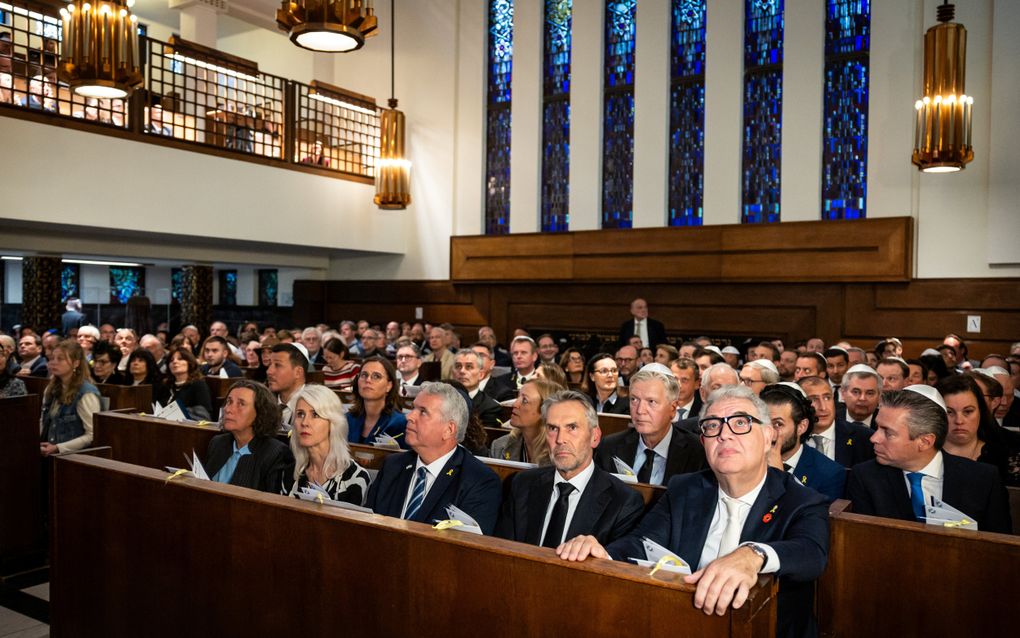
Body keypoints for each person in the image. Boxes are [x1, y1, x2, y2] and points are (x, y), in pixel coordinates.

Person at [558, 385, 830, 638]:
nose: (724, 434)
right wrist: (603, 553)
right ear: (704, 442)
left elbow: (811, 553)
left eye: (740, 423)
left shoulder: (802, 501)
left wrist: (753, 554)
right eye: (712, 426)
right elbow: (642, 542)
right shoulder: (685, 488)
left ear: (769, 435)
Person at [848, 385, 1012, 534]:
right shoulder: (865, 478)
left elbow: (1001, 548)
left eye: (888, 432)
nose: (874, 438)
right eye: (877, 427)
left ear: (925, 442)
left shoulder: (983, 480)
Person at [496, 390, 643, 547]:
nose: (560, 439)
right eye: (553, 428)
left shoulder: (623, 501)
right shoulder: (522, 484)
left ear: (595, 437)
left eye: (572, 427)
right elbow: (502, 552)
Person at [366, 382, 502, 534]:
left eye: (423, 412)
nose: (409, 416)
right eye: (413, 408)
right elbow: (369, 526)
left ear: (448, 430)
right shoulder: (392, 466)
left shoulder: (479, 481)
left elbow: (467, 550)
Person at [595, 364, 707, 485]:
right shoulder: (609, 447)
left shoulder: (697, 452)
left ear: (673, 408)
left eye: (651, 402)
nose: (640, 410)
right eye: (634, 399)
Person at [204, 379, 295, 494]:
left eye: (241, 404)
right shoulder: (217, 443)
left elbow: (272, 506)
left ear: (261, 412)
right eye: (229, 402)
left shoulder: (275, 453)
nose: (228, 409)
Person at [287, 384, 371, 505]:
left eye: (315, 415)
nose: (304, 422)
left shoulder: (355, 478)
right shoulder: (291, 471)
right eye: (300, 414)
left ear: (332, 423)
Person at [762, 383, 846, 502]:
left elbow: (814, 517)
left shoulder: (829, 473)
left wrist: (780, 477)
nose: (769, 431)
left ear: (802, 426)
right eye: (764, 423)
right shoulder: (746, 459)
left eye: (778, 424)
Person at [937, 374, 1020, 487]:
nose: (959, 421)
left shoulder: (1007, 455)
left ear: (980, 411)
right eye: (949, 412)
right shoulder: (923, 454)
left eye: (968, 411)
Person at [799, 376, 875, 468]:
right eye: (813, 400)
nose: (823, 407)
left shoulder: (866, 439)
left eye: (827, 398)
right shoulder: (789, 439)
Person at [40, 341, 101, 455]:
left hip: (73, 458)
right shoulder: (51, 388)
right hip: (48, 452)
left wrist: (58, 447)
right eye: (52, 358)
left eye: (60, 359)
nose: (54, 363)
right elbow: (43, 421)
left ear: (76, 363)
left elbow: (92, 434)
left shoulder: (86, 393)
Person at [490, 378, 559, 465]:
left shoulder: (560, 454)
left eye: (524, 400)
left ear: (546, 411)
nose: (515, 404)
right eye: (518, 397)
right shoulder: (500, 446)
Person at [347, 356, 408, 448]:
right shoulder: (347, 419)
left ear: (389, 385)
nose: (368, 380)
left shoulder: (401, 424)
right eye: (364, 375)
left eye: (376, 376)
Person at [452, 348, 503, 427]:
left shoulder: (490, 407)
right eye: (458, 366)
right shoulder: (441, 400)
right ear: (452, 373)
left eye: (469, 367)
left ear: (481, 375)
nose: (462, 371)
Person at [266, 343, 308, 427]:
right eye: (269, 365)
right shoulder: (263, 403)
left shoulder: (316, 406)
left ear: (298, 372)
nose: (269, 371)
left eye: (277, 365)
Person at [166, 348, 213, 421]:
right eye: (171, 360)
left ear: (190, 363)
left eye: (180, 359)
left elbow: (205, 414)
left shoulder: (198, 385)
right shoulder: (166, 385)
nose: (175, 362)